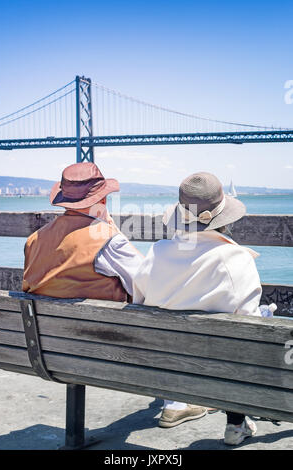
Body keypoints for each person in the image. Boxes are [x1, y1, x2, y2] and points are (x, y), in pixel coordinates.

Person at [132, 171, 262, 446]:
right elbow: (251, 327)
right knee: (241, 344)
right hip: (219, 371)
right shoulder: (236, 259)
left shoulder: (156, 253)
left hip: (167, 367)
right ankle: (236, 423)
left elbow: (138, 306)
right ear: (224, 218)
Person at [23, 162, 143, 301]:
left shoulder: (33, 240)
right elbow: (147, 282)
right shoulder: (108, 240)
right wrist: (113, 231)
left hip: (41, 322)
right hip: (102, 322)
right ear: (103, 200)